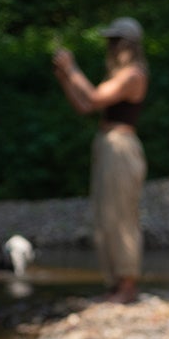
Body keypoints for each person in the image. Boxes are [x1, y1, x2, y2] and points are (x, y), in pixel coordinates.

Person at [53, 17, 149, 304]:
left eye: (114, 42)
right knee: (104, 216)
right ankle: (115, 282)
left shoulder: (133, 74)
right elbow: (84, 107)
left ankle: (128, 285)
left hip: (121, 147)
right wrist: (64, 78)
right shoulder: (119, 75)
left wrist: (72, 69)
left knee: (122, 216)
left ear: (128, 45)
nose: (110, 47)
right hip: (107, 145)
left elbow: (93, 97)